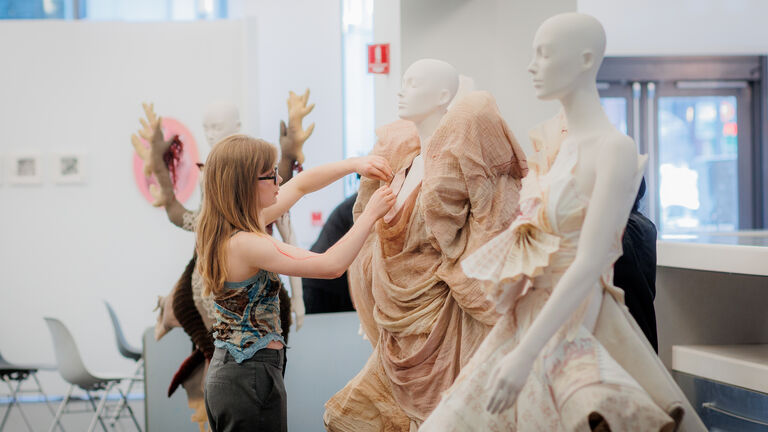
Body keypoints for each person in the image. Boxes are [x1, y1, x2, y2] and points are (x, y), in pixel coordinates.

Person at [420, 13, 705, 431]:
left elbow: (590, 263)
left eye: (544, 53)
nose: (532, 65)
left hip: (575, 321)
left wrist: (526, 353)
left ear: (586, 59)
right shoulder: (561, 152)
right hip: (528, 318)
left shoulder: (614, 148)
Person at [324, 60, 527, 431]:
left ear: (444, 96)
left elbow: (490, 230)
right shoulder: (401, 164)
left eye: (413, 83)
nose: (402, 91)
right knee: (347, 417)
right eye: (403, 82)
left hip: (443, 324)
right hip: (396, 325)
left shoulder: (460, 167)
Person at [193, 134, 395, 432]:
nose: (279, 179)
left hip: (238, 373)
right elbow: (330, 265)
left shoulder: (226, 228)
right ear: (245, 184)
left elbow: (301, 185)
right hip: (247, 377)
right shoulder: (246, 244)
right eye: (271, 175)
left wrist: (355, 163)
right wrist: (370, 215)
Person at [301, 192, 358, 314]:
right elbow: (356, 259)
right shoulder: (359, 205)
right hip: (321, 283)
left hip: (331, 281)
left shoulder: (358, 203)